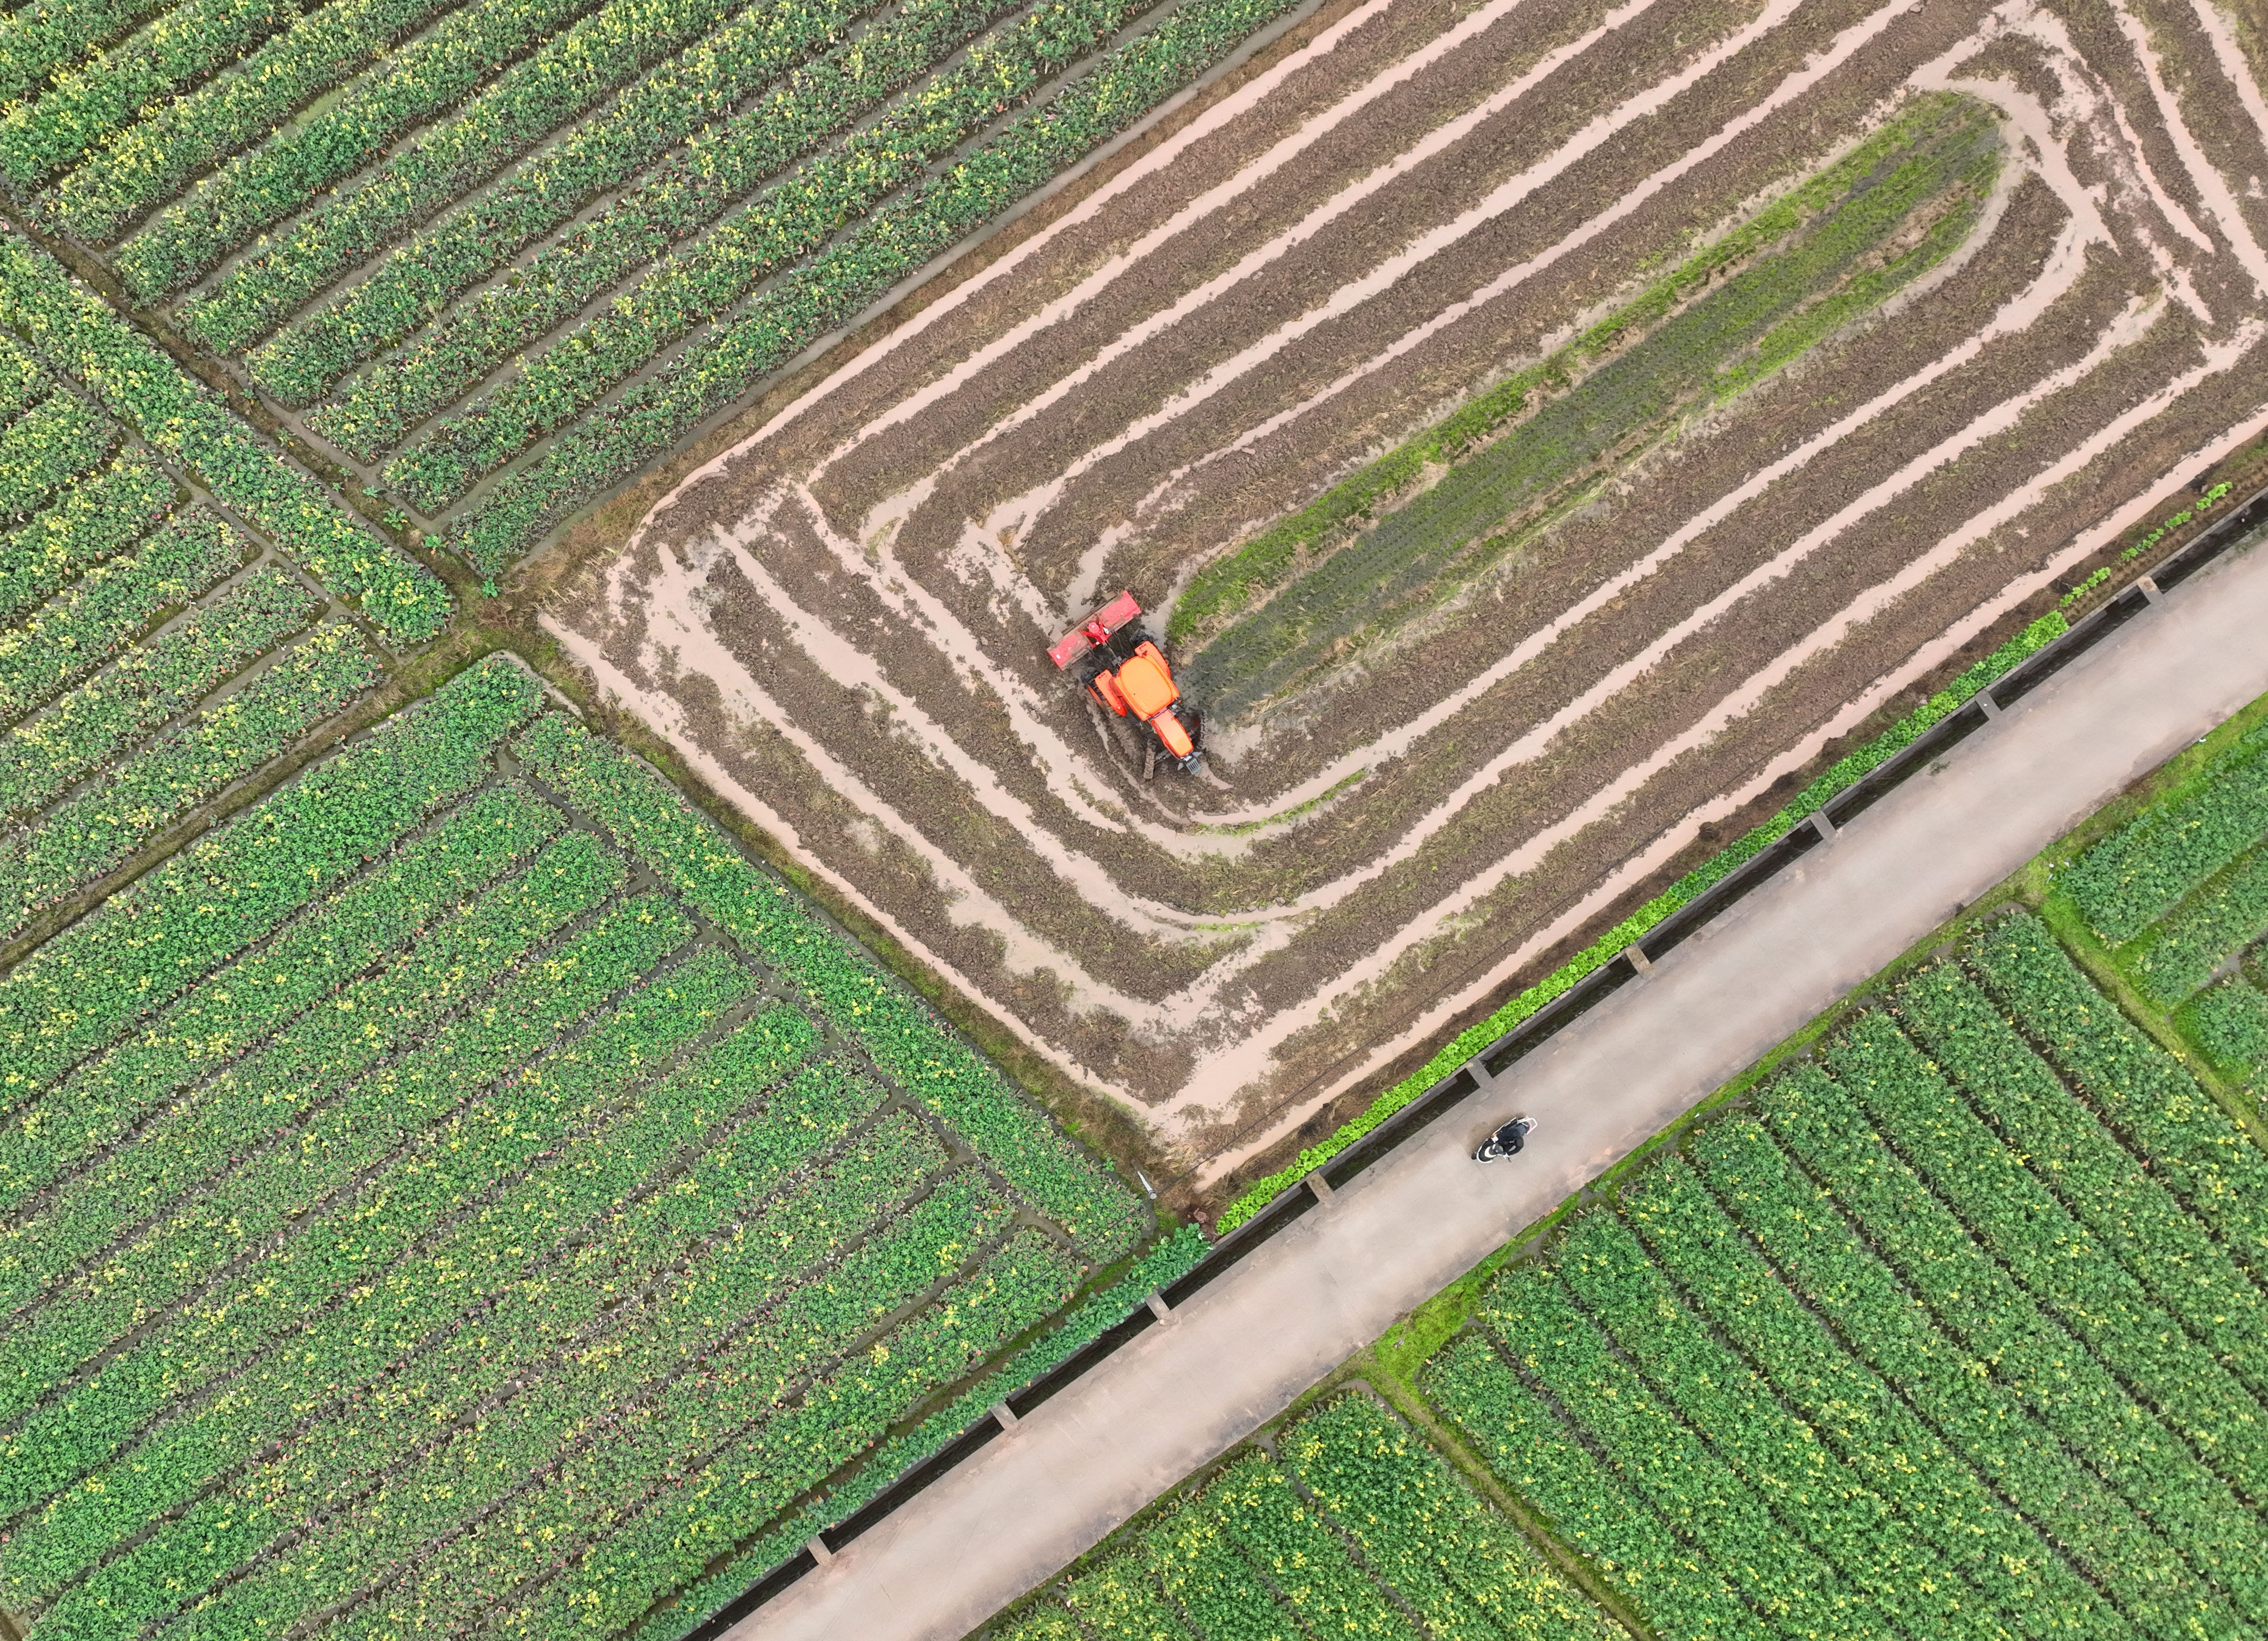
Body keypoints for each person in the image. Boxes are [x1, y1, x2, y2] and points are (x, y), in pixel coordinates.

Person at [1472, 1115, 1537, 1163]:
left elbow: (1517, 1150)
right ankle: (1478, 1152)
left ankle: (1494, 1151)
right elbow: (1503, 1134)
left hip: (1507, 1142)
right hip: (1504, 1137)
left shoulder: (1519, 1144)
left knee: (1504, 1149)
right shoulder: (1512, 1133)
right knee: (1493, 1140)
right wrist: (1496, 1138)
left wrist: (1507, 1154)